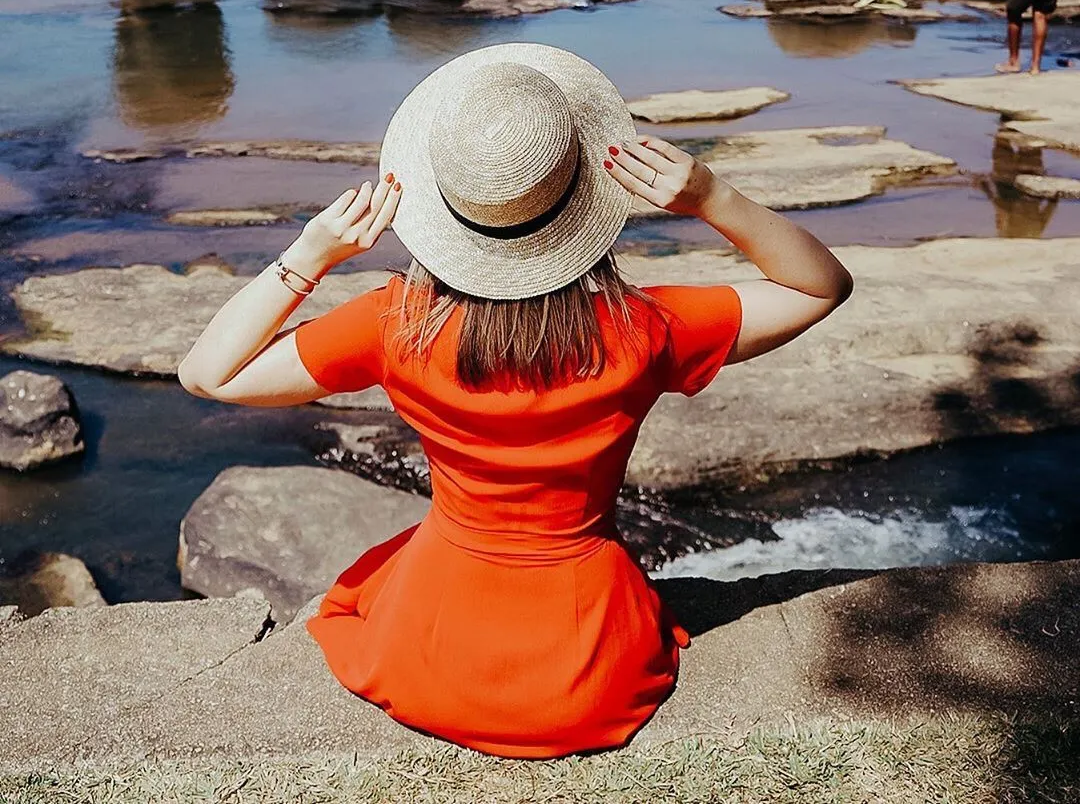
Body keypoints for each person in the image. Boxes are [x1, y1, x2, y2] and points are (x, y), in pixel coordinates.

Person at [178, 44, 853, 759]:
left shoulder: (392, 325)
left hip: (431, 649)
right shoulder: (646, 329)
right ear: (587, 192)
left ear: (443, 207)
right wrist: (714, 197)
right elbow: (820, 286)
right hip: (591, 663)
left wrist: (310, 255)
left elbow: (208, 374)